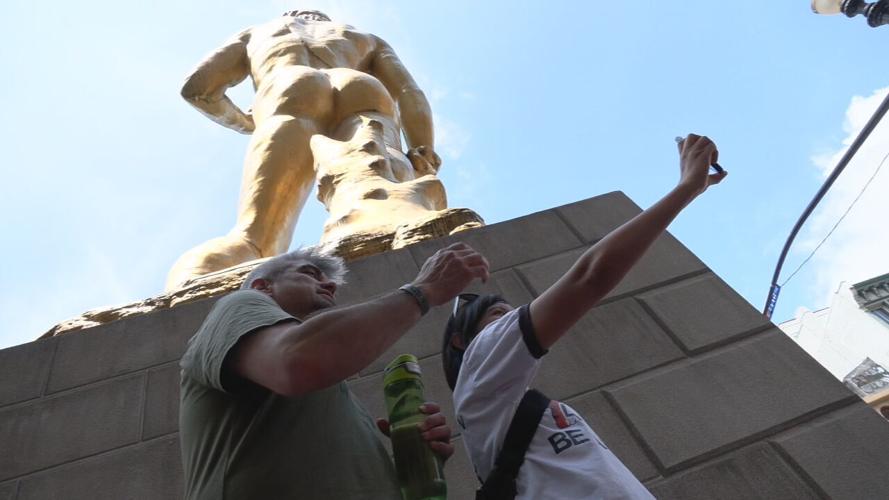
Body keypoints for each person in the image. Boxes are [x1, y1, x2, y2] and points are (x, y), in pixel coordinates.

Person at [442, 134, 728, 499]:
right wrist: (687, 187)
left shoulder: (497, 405)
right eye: (498, 315)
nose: (510, 320)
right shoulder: (481, 363)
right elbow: (590, 276)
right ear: (459, 340)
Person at [179, 242, 490, 499]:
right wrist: (422, 291)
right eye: (310, 274)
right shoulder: (239, 304)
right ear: (264, 286)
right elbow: (296, 361)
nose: (328, 284)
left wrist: (419, 460)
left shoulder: (336, 398)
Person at [166, 9, 441, 290]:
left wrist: (246, 122)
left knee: (254, 238)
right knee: (383, 196)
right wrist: (423, 148)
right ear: (323, 20)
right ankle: (412, 248)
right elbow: (409, 91)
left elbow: (197, 88)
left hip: (288, 88)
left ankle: (198, 282)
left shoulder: (256, 34)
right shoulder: (363, 38)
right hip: (361, 88)